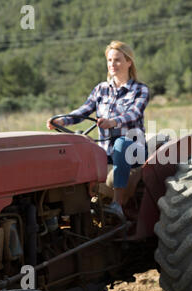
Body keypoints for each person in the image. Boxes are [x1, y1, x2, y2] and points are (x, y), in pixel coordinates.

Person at [47, 40, 149, 220]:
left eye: (117, 60)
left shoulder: (140, 89)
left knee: (121, 143)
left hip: (132, 149)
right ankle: (82, 205)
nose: (112, 64)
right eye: (109, 60)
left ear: (129, 62)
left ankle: (117, 204)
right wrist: (62, 120)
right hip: (106, 149)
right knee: (78, 143)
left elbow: (134, 113)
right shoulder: (100, 89)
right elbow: (83, 111)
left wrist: (113, 122)